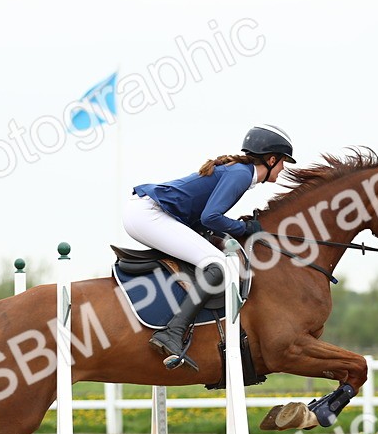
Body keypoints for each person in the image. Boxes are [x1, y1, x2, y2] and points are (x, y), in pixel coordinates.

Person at [123, 124, 295, 370]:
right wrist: (245, 229)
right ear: (270, 160)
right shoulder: (241, 174)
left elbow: (205, 218)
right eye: (283, 163)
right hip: (148, 215)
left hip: (147, 212)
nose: (283, 169)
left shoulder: (240, 172)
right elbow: (210, 217)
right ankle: (172, 332)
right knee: (218, 265)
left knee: (211, 257)